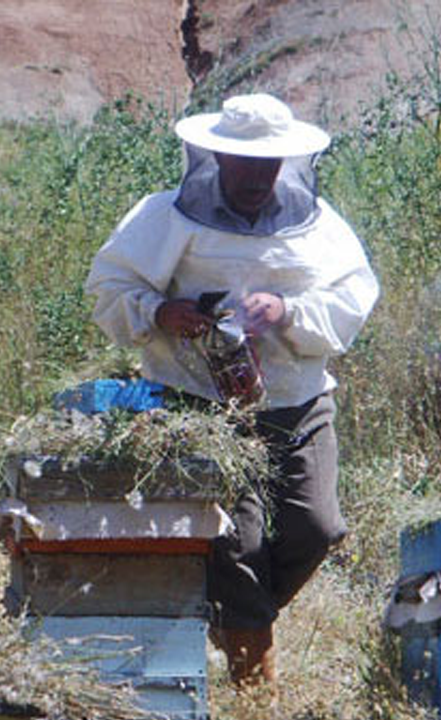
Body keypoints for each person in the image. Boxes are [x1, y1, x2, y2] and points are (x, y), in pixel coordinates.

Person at [83, 94, 379, 688]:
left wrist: (288, 311)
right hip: (197, 405)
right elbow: (108, 286)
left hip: (296, 402)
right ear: (215, 156)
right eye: (242, 162)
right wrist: (162, 312)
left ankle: (234, 620)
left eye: (266, 164)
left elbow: (353, 299)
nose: (253, 176)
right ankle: (254, 685)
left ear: (286, 164)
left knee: (316, 528)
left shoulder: (320, 227)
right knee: (232, 542)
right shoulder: (163, 217)